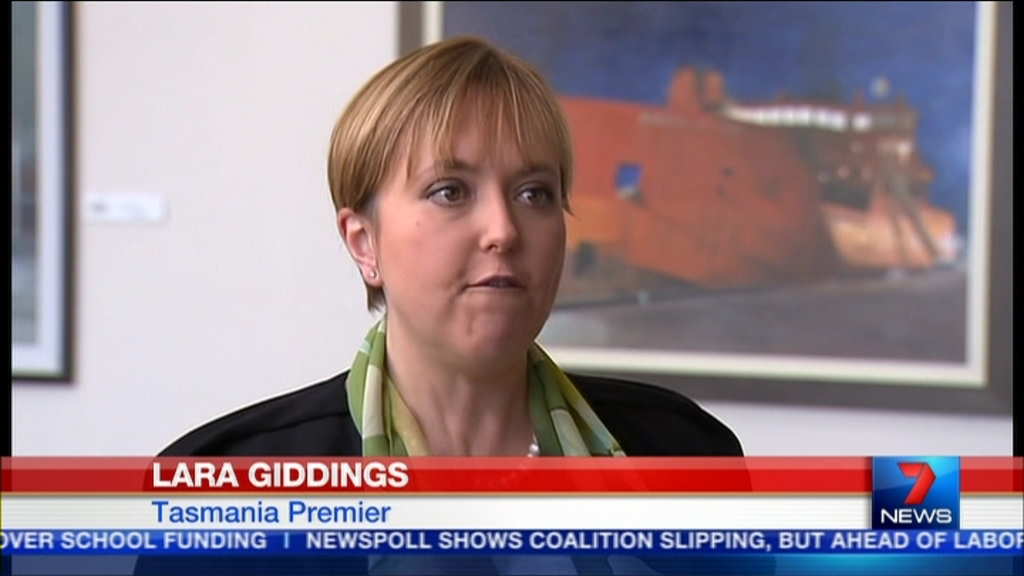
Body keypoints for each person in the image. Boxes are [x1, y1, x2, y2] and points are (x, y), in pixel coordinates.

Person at [136, 36, 754, 576]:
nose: (503, 230)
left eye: (534, 193)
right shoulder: (230, 492)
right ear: (364, 242)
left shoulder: (685, 454)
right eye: (450, 191)